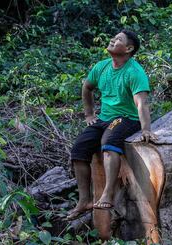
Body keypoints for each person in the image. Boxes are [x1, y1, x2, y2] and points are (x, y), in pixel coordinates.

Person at [67, 29, 157, 221]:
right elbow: (87, 87)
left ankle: (107, 194)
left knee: (108, 142)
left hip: (127, 118)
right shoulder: (101, 67)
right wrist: (89, 114)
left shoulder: (134, 72)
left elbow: (141, 102)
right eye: (114, 37)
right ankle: (83, 201)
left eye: (118, 40)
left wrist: (146, 129)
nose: (112, 40)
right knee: (78, 149)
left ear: (128, 48)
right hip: (104, 119)